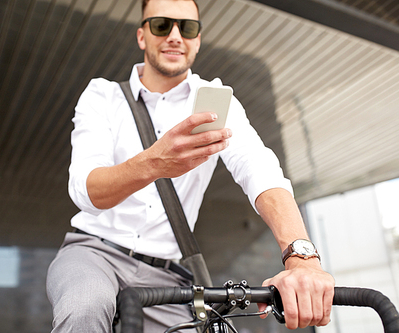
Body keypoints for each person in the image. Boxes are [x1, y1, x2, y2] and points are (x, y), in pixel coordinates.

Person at [46, 0, 335, 332]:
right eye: (160, 25)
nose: (174, 36)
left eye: (187, 27)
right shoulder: (102, 96)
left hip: (165, 273)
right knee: (84, 309)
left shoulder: (215, 99)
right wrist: (155, 162)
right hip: (94, 253)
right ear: (142, 36)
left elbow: (258, 168)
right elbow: (85, 190)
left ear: (197, 40)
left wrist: (300, 256)